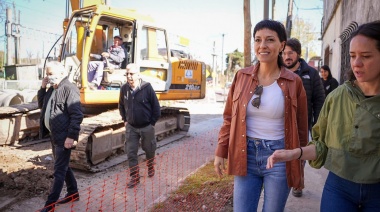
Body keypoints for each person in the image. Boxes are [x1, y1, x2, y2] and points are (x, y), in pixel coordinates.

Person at [267, 20, 380, 211]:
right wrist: (296, 153)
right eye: (352, 56)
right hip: (339, 189)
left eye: (366, 56)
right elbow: (322, 146)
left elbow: (317, 99)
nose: (357, 63)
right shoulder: (337, 97)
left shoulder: (310, 74)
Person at [214, 19, 308, 212]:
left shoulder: (294, 81)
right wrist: (221, 151)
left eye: (270, 40)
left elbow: (301, 126)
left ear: (282, 45)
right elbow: (229, 117)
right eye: (258, 40)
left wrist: (300, 161)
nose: (262, 45)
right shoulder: (241, 76)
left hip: (279, 156)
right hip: (245, 153)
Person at [282, 37, 325, 197]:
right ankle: (283, 180)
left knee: (300, 152)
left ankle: (298, 182)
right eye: (284, 53)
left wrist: (318, 124)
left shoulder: (311, 74)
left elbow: (319, 100)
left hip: (302, 122)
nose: (287, 56)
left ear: (298, 54)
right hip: (280, 122)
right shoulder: (278, 72)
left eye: (290, 53)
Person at [37, 61, 84, 212]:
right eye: (47, 74)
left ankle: (50, 205)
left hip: (64, 137)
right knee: (63, 166)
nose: (48, 77)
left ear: (62, 73)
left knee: (59, 170)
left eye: (51, 74)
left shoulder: (69, 89)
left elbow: (77, 115)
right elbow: (41, 106)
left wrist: (71, 136)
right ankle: (73, 192)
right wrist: (43, 88)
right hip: (54, 135)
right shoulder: (52, 89)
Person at [118, 63, 161, 188]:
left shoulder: (147, 88)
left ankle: (150, 165)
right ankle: (135, 177)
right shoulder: (124, 89)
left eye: (131, 74)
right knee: (131, 152)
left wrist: (152, 123)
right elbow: (121, 105)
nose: (129, 76)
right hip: (131, 127)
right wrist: (125, 120)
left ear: (138, 74)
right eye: (127, 74)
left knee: (149, 149)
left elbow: (156, 108)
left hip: (146, 126)